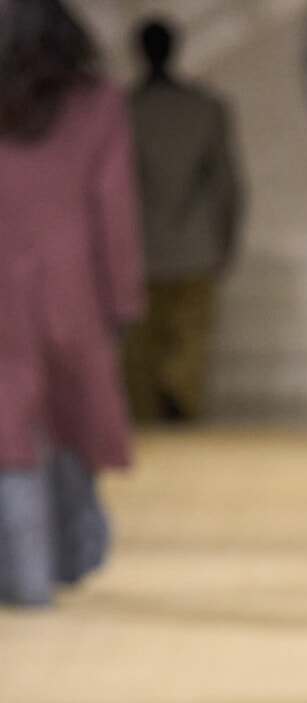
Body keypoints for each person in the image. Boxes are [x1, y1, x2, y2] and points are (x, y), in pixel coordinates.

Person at [0, 0, 143, 610]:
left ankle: (24, 575)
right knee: (67, 421)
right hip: (71, 284)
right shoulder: (98, 102)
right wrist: (123, 295)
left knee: (9, 428)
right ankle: (62, 559)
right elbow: (114, 206)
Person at [122, 16, 242, 423]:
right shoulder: (204, 109)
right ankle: (180, 423)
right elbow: (226, 185)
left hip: (137, 253)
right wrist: (224, 242)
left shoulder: (121, 112)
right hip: (196, 249)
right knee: (187, 357)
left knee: (141, 362)